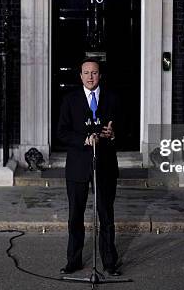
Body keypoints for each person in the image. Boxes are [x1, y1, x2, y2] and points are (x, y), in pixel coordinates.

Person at [57, 58, 121, 276]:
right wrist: (83, 140)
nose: (90, 76)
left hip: (105, 165)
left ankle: (110, 262)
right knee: (75, 216)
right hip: (77, 166)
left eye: (94, 73)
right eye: (86, 73)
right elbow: (62, 132)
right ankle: (73, 261)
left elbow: (127, 129)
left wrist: (113, 135)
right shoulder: (70, 100)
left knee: (106, 215)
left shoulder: (112, 98)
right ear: (80, 75)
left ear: (100, 75)